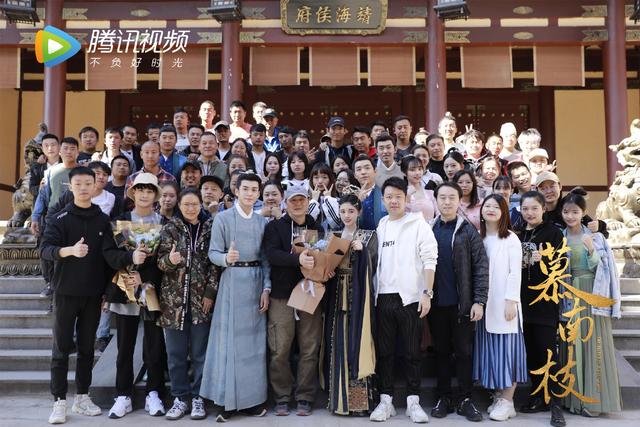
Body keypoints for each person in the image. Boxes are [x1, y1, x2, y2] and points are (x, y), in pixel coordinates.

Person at [41, 166, 145, 425]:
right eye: (78, 183)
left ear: (97, 184)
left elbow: (108, 258)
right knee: (61, 348)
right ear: (71, 186)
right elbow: (45, 249)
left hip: (92, 294)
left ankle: (82, 396)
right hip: (65, 292)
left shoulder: (102, 220)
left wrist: (108, 291)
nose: (84, 188)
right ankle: (59, 401)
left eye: (88, 183)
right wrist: (68, 251)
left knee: (87, 348)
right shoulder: (60, 218)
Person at [200, 173, 271, 421]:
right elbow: (213, 253)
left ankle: (252, 401)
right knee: (228, 343)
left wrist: (267, 288)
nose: (250, 193)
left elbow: (266, 260)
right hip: (231, 280)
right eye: (245, 189)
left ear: (258, 193)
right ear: (236, 191)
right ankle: (226, 402)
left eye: (254, 190)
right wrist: (225, 258)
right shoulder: (223, 218)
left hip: (256, 282)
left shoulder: (263, 223)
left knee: (254, 345)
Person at [369, 177, 437, 423]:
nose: (394, 201)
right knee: (385, 353)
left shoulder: (419, 224)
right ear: (383, 200)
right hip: (384, 297)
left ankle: (413, 402)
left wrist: (427, 293)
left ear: (406, 199)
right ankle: (385, 401)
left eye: (398, 196)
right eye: (389, 197)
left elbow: (430, 260)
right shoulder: (382, 225)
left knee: (412, 353)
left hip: (410, 298)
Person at [105, 173, 167, 419]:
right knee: (125, 345)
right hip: (124, 287)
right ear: (133, 193)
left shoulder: (164, 223)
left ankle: (154, 392)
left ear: (155, 195)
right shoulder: (119, 222)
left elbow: (164, 258)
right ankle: (123, 395)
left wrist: (146, 276)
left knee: (154, 345)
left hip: (152, 290)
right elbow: (108, 253)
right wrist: (129, 258)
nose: (144, 194)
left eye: (150, 190)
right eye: (140, 189)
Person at [157, 189, 219, 421]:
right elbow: (160, 263)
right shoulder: (170, 228)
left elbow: (215, 264)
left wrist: (210, 293)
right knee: (176, 355)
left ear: (201, 205)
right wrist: (169, 261)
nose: (191, 208)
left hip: (201, 301)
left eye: (195, 204)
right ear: (180, 206)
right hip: (174, 303)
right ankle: (180, 398)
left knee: (201, 353)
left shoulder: (210, 228)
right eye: (186, 204)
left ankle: (198, 398)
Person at [559, 189, 622, 416]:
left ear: (583, 213)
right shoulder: (560, 237)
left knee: (593, 344)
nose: (570, 216)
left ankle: (593, 402)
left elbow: (603, 270)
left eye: (575, 212)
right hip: (569, 294)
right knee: (572, 345)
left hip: (592, 293)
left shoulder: (596, 237)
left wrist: (592, 250)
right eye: (566, 212)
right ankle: (574, 400)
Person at [429, 181, 488, 422]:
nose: (447, 202)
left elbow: (481, 266)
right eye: (442, 197)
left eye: (451, 197)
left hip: (462, 305)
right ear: (435, 200)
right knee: (441, 352)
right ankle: (443, 397)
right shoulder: (428, 229)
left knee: (464, 352)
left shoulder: (468, 230)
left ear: (458, 200)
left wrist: (479, 300)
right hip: (436, 304)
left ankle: (465, 399)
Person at [263, 185, 324, 417]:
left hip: (310, 293)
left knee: (309, 347)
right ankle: (282, 396)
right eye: (293, 200)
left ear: (308, 201)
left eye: (301, 200)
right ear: (285, 204)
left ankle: (305, 396)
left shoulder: (316, 226)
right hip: (282, 295)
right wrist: (298, 259)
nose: (298, 204)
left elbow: (322, 256)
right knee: (279, 349)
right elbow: (272, 254)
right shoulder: (275, 227)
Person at [473, 194, 527, 421]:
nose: (491, 209)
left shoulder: (510, 238)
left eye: (496, 206)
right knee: (493, 351)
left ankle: (508, 400)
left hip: (505, 303)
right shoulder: (480, 238)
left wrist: (511, 300)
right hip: (486, 305)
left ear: (504, 211)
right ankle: (498, 396)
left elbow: (515, 272)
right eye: (487, 206)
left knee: (508, 350)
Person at [517, 191, 566, 427]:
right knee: (532, 353)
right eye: (525, 208)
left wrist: (543, 260)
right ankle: (539, 397)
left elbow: (563, 265)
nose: (529, 213)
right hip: (522, 302)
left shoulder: (553, 232)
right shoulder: (517, 233)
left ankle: (556, 405)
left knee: (548, 353)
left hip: (546, 301)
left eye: (534, 208)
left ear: (543, 209)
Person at [327, 194, 378, 416]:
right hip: (338, 295)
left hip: (358, 296)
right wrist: (327, 270)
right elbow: (327, 265)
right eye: (343, 211)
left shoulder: (368, 236)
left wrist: (363, 251)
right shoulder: (334, 236)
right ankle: (340, 401)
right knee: (339, 341)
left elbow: (375, 266)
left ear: (359, 212)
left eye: (351, 211)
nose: (346, 215)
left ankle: (358, 403)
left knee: (357, 340)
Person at [536, 172, 607, 237]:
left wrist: (599, 226)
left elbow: (603, 233)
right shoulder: (535, 212)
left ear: (560, 186)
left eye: (552, 186)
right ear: (537, 191)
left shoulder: (570, 206)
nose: (548, 191)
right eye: (543, 188)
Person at [352, 155, 386, 230]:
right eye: (359, 169)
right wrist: (358, 203)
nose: (363, 172)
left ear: (375, 171)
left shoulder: (385, 193)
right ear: (354, 175)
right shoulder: (350, 197)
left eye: (367, 168)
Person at [402, 155, 438, 221]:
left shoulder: (430, 193)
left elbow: (439, 214)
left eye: (420, 169)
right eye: (412, 170)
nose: (417, 173)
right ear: (404, 173)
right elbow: (402, 216)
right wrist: (408, 197)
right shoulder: (401, 194)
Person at [309, 163, 341, 231]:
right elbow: (307, 222)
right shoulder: (305, 200)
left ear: (330, 179)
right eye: (316, 177)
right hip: (312, 236)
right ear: (311, 180)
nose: (320, 181)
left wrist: (328, 199)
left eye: (324, 177)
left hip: (332, 236)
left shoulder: (338, 201)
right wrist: (314, 200)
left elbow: (335, 224)